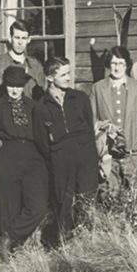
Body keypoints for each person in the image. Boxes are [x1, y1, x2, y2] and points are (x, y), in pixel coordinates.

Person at [34, 57, 98, 239]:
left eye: (69, 73)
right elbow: (41, 141)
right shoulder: (41, 106)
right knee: (64, 203)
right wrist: (56, 155)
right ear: (49, 77)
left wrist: (92, 157)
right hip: (61, 161)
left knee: (86, 200)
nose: (69, 78)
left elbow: (89, 127)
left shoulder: (80, 98)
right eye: (63, 74)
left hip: (85, 158)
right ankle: (65, 245)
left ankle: (87, 243)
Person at [0, 65, 49, 258]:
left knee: (38, 206)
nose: (15, 89)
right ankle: (10, 253)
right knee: (9, 206)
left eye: (18, 85)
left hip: (32, 157)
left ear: (24, 85)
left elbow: (41, 135)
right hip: (8, 155)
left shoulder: (34, 106)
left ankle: (7, 238)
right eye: (11, 85)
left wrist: (45, 158)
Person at [90, 46, 137, 192]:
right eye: (113, 63)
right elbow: (90, 118)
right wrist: (104, 128)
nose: (117, 68)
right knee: (109, 198)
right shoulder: (97, 88)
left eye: (121, 64)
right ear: (108, 65)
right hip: (108, 155)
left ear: (127, 65)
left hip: (134, 154)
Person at [2, 19, 45, 100]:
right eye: (17, 37)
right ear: (10, 38)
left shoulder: (35, 65)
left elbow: (43, 91)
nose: (20, 42)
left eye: (24, 38)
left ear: (28, 40)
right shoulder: (1, 63)